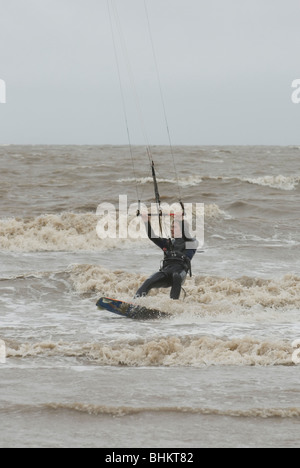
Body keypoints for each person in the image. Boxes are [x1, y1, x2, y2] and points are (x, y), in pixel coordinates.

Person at [135, 212, 198, 300]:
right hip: (166, 272)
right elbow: (152, 236)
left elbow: (186, 236)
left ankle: (173, 304)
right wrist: (146, 221)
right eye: (171, 227)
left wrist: (180, 221)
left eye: (174, 227)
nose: (171, 229)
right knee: (149, 281)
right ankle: (135, 302)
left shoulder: (191, 242)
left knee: (176, 276)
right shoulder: (168, 243)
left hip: (180, 273)